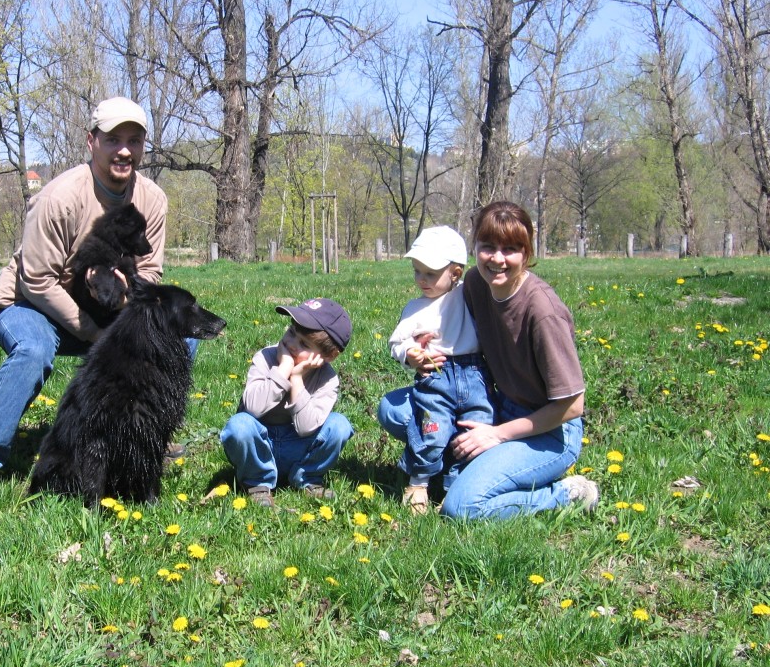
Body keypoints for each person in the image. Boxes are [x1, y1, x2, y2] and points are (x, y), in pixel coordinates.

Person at [0, 97, 169, 505]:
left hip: (106, 309)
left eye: (134, 141)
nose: (124, 150)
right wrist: (99, 335)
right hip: (29, 305)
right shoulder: (59, 197)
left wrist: (126, 302)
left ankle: (147, 441)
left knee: (173, 337)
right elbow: (37, 280)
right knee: (33, 350)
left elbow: (151, 273)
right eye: (113, 139)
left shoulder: (151, 199)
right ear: (91, 141)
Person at [378, 203, 598, 519]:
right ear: (475, 248)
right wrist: (417, 354)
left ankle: (566, 493)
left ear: (527, 252)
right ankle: (461, 465)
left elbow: (572, 407)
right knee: (394, 409)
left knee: (462, 508)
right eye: (488, 247)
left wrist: (497, 435)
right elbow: (445, 321)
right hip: (494, 405)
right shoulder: (477, 285)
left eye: (510, 249)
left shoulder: (543, 312)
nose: (497, 259)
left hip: (548, 430)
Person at [378, 226, 494, 515]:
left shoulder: (468, 294)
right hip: (436, 376)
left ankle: (455, 487)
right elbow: (396, 343)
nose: (421, 279)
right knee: (432, 427)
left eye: (430, 273)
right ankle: (418, 482)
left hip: (475, 375)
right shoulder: (415, 308)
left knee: (476, 429)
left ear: (455, 273)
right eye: (417, 271)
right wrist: (411, 355)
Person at [220, 298, 354, 507]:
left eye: (304, 344)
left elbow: (306, 428)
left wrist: (297, 379)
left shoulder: (328, 379)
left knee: (339, 425)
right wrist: (283, 370)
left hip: (299, 448)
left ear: (329, 355)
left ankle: (307, 478)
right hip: (261, 446)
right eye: (291, 332)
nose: (291, 343)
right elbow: (253, 408)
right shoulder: (266, 357)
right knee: (239, 425)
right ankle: (257, 482)